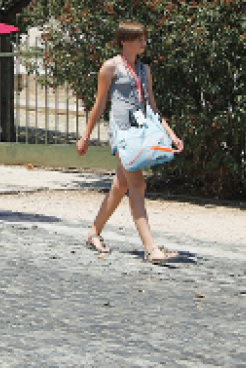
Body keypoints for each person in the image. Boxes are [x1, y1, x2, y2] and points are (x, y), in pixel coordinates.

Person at [78, 22, 184, 263]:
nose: (143, 42)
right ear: (124, 41)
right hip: (122, 134)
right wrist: (86, 136)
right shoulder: (110, 67)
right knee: (138, 185)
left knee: (121, 185)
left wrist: (171, 134)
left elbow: (153, 109)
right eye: (138, 38)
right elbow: (100, 104)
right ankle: (151, 248)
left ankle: (93, 232)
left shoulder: (145, 70)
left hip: (140, 133)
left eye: (144, 38)